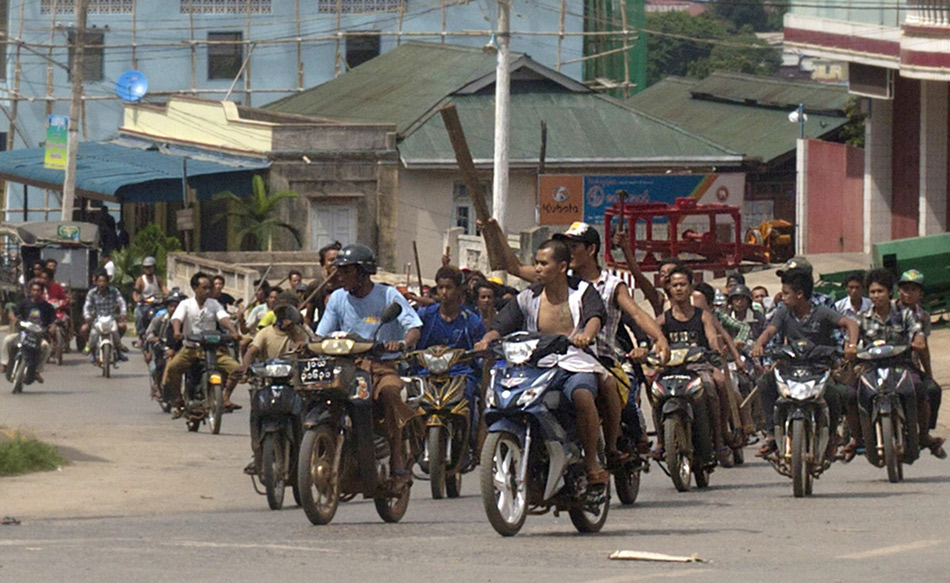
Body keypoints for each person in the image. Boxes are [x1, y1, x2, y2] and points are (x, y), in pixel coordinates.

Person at [475, 239, 610, 485]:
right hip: (534, 366)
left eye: (543, 263)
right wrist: (487, 339)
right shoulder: (527, 297)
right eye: (536, 263)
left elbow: (595, 317)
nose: (537, 268)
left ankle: (591, 461)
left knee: (581, 395)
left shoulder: (582, 291)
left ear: (561, 267)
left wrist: (586, 335)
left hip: (575, 361)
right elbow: (502, 324)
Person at [552, 222, 671, 468]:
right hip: (562, 359)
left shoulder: (612, 285)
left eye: (574, 246)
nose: (568, 252)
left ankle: (622, 443)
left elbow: (637, 314)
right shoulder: (560, 280)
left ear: (591, 249)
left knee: (623, 396)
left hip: (604, 358)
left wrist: (658, 339)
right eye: (566, 247)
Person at [315, 244, 423, 494]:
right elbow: (322, 333)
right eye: (338, 271)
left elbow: (414, 326)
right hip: (346, 366)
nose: (339, 276)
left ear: (363, 273)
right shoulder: (338, 298)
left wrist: (403, 342)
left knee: (390, 394)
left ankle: (398, 465)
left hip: (382, 365)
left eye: (346, 271)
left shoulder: (388, 296)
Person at [750, 268, 858, 456]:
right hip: (791, 367)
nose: (782, 297)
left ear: (800, 294)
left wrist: (852, 345)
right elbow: (769, 331)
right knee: (765, 383)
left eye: (786, 293)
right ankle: (771, 434)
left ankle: (832, 435)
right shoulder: (783, 313)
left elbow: (851, 324)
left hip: (819, 368)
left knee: (834, 393)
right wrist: (759, 344)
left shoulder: (822, 312)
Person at [848, 268, 944, 459]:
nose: (876, 296)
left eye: (880, 291)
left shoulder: (906, 314)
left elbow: (917, 333)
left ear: (889, 292)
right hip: (871, 369)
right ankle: (857, 438)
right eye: (873, 292)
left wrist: (918, 340)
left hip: (902, 366)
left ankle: (923, 434)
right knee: (851, 395)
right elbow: (852, 340)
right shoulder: (862, 318)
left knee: (921, 390)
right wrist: (850, 347)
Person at [656, 266, 732, 467]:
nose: (679, 289)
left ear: (690, 288)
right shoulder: (664, 319)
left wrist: (715, 350)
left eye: (683, 285)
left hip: (699, 366)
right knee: (653, 387)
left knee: (715, 384)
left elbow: (711, 338)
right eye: (674, 285)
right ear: (669, 289)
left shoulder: (703, 315)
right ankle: (661, 441)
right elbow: (654, 340)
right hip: (671, 369)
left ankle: (718, 439)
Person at [416, 265, 486, 460]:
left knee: (469, 399)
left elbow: (481, 347)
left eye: (449, 287)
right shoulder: (425, 316)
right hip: (427, 373)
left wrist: (480, 349)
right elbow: (412, 336)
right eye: (440, 288)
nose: (444, 292)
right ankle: (415, 444)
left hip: (460, 373)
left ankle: (468, 444)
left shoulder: (471, 321)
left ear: (459, 291)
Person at [238, 304, 310, 474]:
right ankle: (258, 456)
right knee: (256, 415)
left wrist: (301, 344)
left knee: (305, 417)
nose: (286, 322)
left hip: (294, 386)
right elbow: (251, 351)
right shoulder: (265, 333)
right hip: (268, 384)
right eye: (283, 317)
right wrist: (245, 367)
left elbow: (309, 345)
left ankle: (305, 454)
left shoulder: (301, 332)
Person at [162, 272, 242, 416]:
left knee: (236, 369)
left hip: (212, 349)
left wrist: (233, 331)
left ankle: (225, 397)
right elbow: (177, 319)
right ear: (194, 288)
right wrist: (176, 331)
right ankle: (178, 399)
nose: (207, 291)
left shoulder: (214, 304)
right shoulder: (186, 304)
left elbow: (223, 318)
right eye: (204, 288)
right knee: (172, 370)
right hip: (191, 348)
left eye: (209, 288)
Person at [896, 269, 945, 457]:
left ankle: (924, 433)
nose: (908, 293)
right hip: (885, 363)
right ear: (898, 291)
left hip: (911, 366)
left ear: (920, 294)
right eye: (905, 288)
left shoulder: (923, 317)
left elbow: (924, 348)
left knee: (932, 390)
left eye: (913, 290)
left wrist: (929, 373)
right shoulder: (889, 309)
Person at [1, 279, 56, 383]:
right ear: (30, 291)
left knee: (46, 348)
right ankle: (5, 364)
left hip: (38, 336)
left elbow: (53, 321)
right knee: (7, 340)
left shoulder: (47, 307)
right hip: (23, 333)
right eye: (34, 290)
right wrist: (14, 319)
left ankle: (37, 371)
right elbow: (12, 312)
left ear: (42, 292)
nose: (36, 292)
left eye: (38, 290)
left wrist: (52, 327)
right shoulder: (24, 303)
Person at [144, 290, 185, 402]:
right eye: (171, 306)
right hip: (163, 350)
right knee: (157, 367)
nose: (173, 309)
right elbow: (149, 333)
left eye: (176, 306)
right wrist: (154, 339)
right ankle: (157, 386)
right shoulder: (159, 320)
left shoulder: (186, 321)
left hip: (182, 349)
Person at [81, 270, 128, 363]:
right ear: (96, 282)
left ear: (107, 282)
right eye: (100, 281)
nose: (102, 284)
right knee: (88, 331)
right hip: (96, 319)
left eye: (104, 281)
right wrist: (87, 316)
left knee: (118, 329)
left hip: (111, 317)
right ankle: (91, 351)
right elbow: (87, 306)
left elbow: (121, 302)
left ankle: (118, 350)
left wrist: (123, 313)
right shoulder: (92, 293)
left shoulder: (114, 291)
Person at [133, 257, 169, 340]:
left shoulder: (158, 279)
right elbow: (136, 292)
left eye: (150, 267)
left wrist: (167, 294)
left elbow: (164, 289)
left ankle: (163, 334)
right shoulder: (141, 280)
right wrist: (136, 298)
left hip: (157, 304)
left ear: (154, 267)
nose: (148, 269)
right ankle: (141, 336)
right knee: (138, 315)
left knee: (165, 316)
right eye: (146, 267)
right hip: (144, 304)